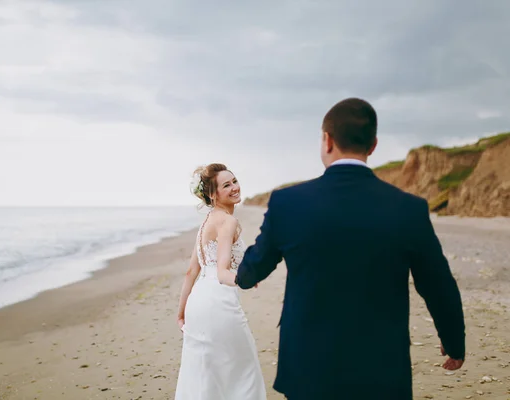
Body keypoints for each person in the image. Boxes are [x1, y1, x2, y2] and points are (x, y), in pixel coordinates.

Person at [235, 98, 466, 399]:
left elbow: (255, 265)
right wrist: (453, 341)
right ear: (373, 145)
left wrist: (244, 276)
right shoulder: (409, 209)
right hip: (382, 370)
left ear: (327, 140)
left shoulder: (288, 203)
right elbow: (438, 285)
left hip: (308, 369)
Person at [175, 163, 266, 400]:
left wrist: (181, 311)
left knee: (204, 374)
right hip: (219, 303)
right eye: (227, 185)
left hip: (197, 303)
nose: (235, 188)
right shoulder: (227, 222)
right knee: (244, 371)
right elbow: (223, 272)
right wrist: (245, 278)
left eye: (234, 181)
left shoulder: (206, 223)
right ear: (213, 194)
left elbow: (191, 272)